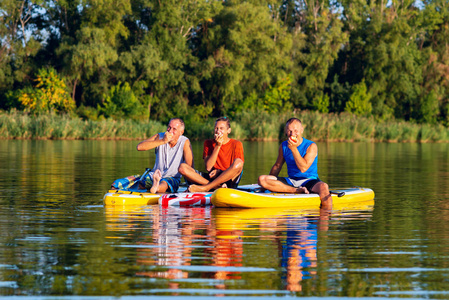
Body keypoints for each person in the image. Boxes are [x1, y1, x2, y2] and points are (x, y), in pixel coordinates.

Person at [258, 118, 332, 208]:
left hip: (309, 180)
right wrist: (267, 185)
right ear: (286, 131)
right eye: (289, 131)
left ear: (301, 130)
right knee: (262, 179)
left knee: (324, 186)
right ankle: (296, 191)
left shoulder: (311, 146)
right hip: (292, 181)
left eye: (296, 131)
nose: (292, 134)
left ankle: (327, 214)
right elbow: (277, 166)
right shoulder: (284, 146)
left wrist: (293, 149)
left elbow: (303, 168)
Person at [116, 118, 193, 193]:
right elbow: (139, 147)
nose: (170, 131)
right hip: (154, 175)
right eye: (169, 127)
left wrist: (190, 186)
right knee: (117, 184)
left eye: (174, 129)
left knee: (165, 183)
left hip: (172, 178)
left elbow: (189, 167)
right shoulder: (160, 136)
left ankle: (156, 187)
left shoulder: (185, 142)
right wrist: (162, 141)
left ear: (181, 132)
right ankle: (151, 185)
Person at [178, 117, 244, 192]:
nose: (218, 131)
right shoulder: (208, 143)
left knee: (239, 163)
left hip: (228, 179)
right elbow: (208, 167)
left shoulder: (237, 144)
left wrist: (219, 172)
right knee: (182, 167)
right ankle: (215, 187)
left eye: (221, 128)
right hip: (211, 178)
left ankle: (206, 188)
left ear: (228, 130)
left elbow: (238, 167)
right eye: (216, 128)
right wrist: (218, 145)